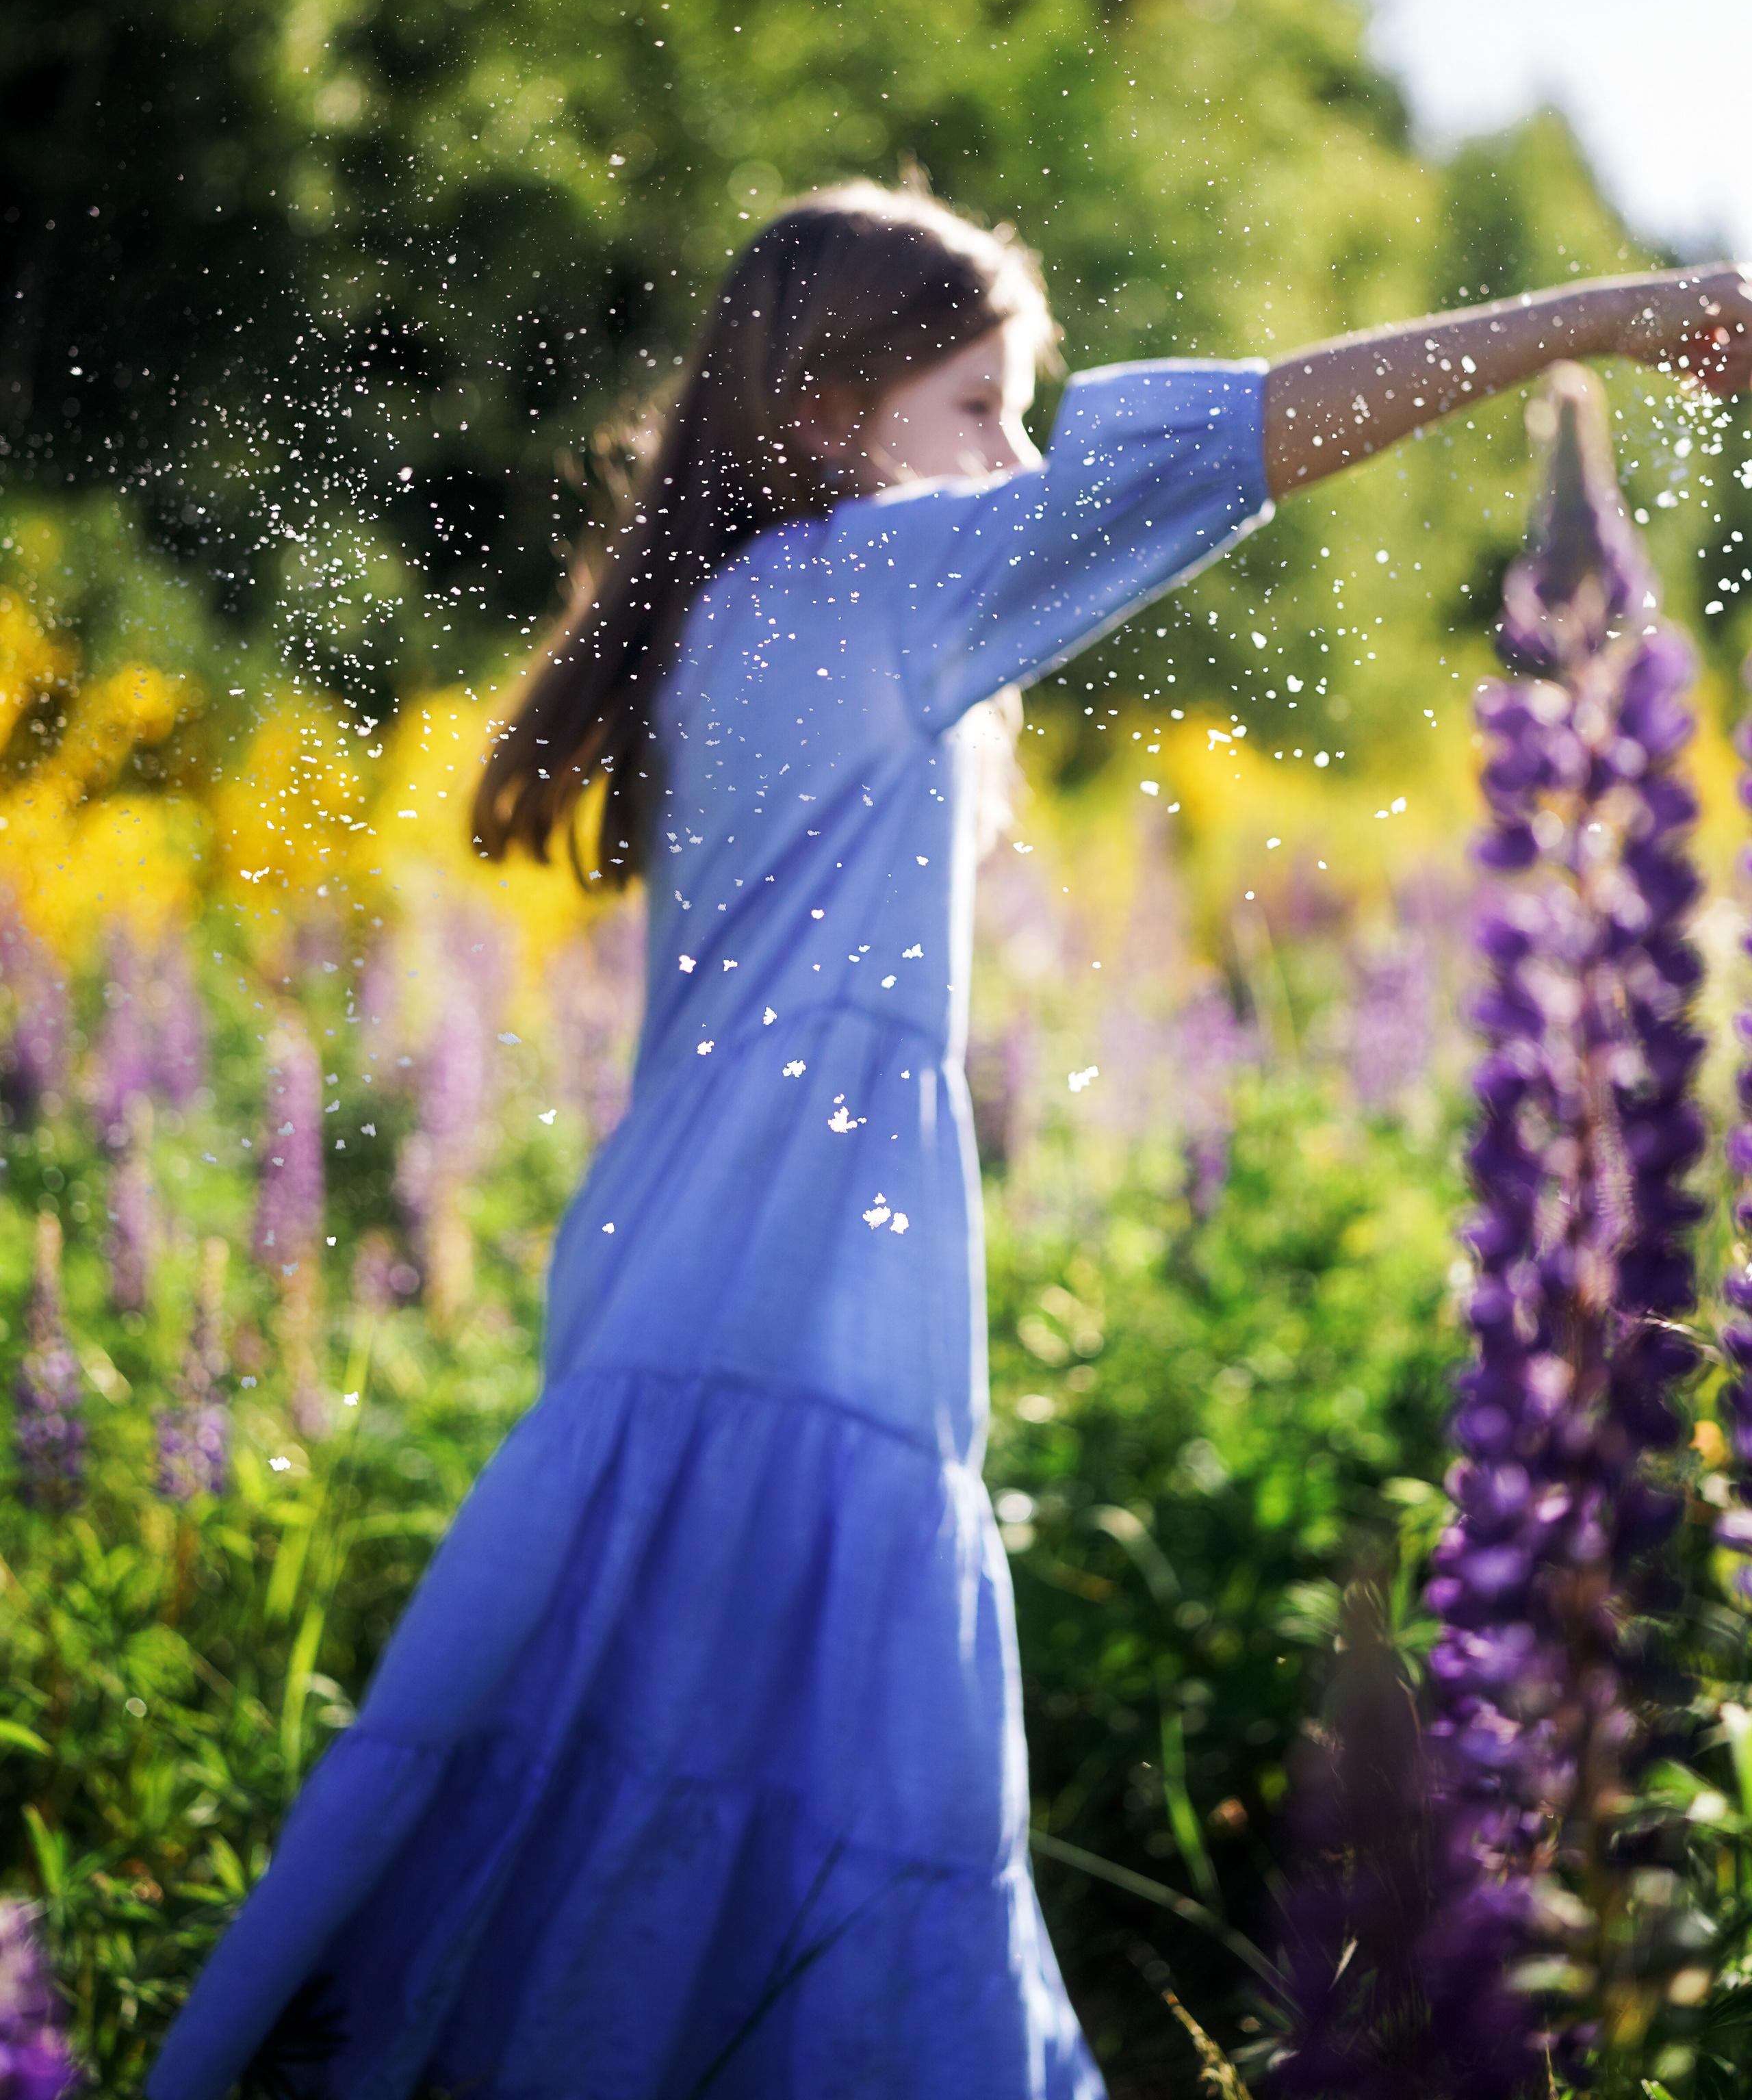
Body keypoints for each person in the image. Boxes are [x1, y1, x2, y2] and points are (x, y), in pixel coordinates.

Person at [149, 185, 1750, 2100]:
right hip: (801, 1325)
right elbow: (1226, 445)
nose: (1014, 461)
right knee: (840, 1852)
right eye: (982, 407)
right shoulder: (863, 589)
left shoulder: (745, 610)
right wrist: (1603, 314)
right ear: (829, 417)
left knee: (615, 1808)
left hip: (687, 1294)